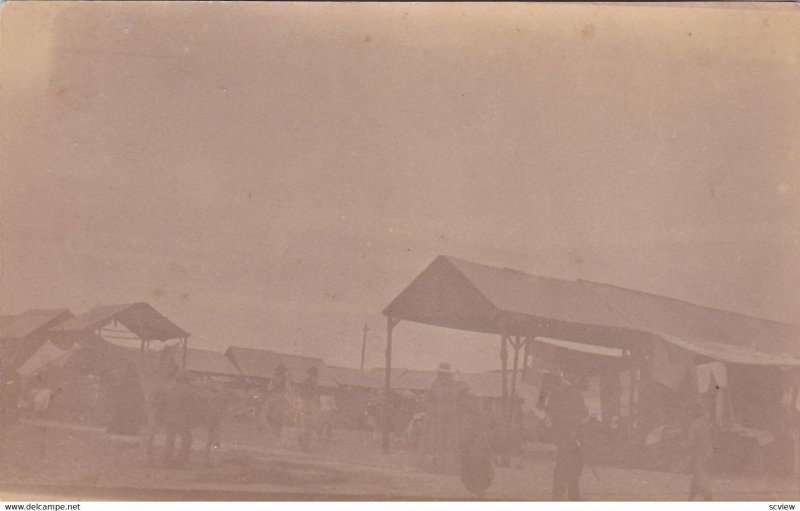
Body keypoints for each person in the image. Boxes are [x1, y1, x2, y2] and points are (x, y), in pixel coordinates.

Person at [547, 368, 589, 501]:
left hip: (571, 432)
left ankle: (572, 494)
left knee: (575, 463)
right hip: (569, 433)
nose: (585, 382)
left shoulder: (568, 391)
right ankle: (560, 496)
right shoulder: (567, 391)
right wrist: (570, 430)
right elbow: (561, 413)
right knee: (566, 464)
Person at [419, 362, 462, 474]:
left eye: (445, 374)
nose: (443, 376)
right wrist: (431, 411)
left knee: (448, 441)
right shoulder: (433, 383)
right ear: (438, 373)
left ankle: (448, 466)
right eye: (441, 373)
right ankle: (432, 466)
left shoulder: (453, 384)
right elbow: (428, 400)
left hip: (450, 417)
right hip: (435, 417)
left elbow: (456, 400)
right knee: (434, 441)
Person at [108, 363, 146, 435]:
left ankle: (131, 431)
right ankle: (125, 430)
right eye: (133, 368)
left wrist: (141, 398)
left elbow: (139, 389)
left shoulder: (133, 377)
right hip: (128, 400)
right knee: (127, 415)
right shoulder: (126, 377)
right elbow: (121, 389)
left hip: (132, 400)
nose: (134, 369)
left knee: (132, 415)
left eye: (135, 367)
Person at [687, 401, 714, 501]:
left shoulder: (695, 424)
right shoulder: (705, 423)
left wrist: (686, 447)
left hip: (699, 454)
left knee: (700, 475)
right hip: (708, 452)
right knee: (698, 475)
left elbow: (693, 442)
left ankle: (707, 497)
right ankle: (691, 496)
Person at [297, 366, 321, 451]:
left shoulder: (316, 383)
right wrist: (306, 403)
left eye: (315, 374)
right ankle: (304, 444)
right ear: (309, 374)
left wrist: (318, 404)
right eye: (313, 374)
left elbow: (317, 395)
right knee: (307, 426)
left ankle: (303, 441)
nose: (314, 376)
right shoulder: (306, 382)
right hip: (306, 406)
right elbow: (302, 393)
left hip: (313, 406)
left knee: (311, 426)